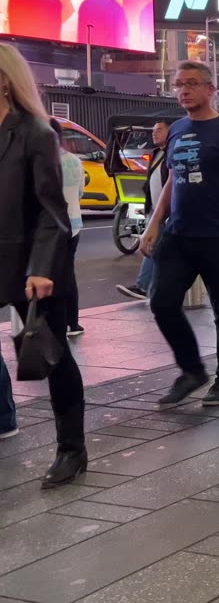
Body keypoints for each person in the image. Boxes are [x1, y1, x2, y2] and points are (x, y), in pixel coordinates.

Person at [141, 60, 219, 407]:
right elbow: (172, 181)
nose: (184, 90)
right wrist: (154, 224)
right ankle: (192, 370)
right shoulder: (176, 129)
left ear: (210, 90)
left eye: (191, 84)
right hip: (179, 236)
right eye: (178, 85)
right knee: (162, 304)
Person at [0, 42, 86, 486]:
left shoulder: (36, 132)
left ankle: (71, 449)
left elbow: (52, 213)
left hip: (29, 264)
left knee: (51, 355)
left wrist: (42, 269)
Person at [117, 121, 170, 300]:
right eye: (153, 131)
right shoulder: (154, 153)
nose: (154, 134)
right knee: (154, 248)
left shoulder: (173, 153)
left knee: (153, 247)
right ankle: (151, 287)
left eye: (160, 130)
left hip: (166, 212)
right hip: (153, 208)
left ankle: (143, 286)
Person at [52, 120, 84, 336]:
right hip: (74, 223)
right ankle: (73, 323)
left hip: (53, 226)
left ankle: (58, 322)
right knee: (67, 273)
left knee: (51, 274)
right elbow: (80, 191)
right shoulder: (74, 160)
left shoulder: (46, 161)